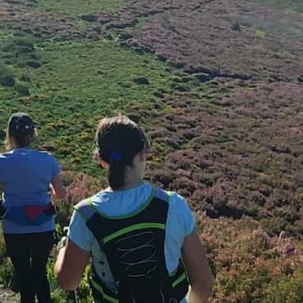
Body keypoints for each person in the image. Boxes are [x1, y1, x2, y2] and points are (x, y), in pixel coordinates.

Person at [54, 115, 214, 303]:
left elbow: (68, 282)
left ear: (101, 159)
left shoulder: (86, 214)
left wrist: (63, 250)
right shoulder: (173, 205)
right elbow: (202, 285)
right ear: (141, 153)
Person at [0, 113, 66, 303]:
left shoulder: (0, 160)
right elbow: (61, 194)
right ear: (32, 134)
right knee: (39, 270)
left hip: (14, 224)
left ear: (10, 135)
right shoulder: (47, 159)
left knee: (23, 274)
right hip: (43, 224)